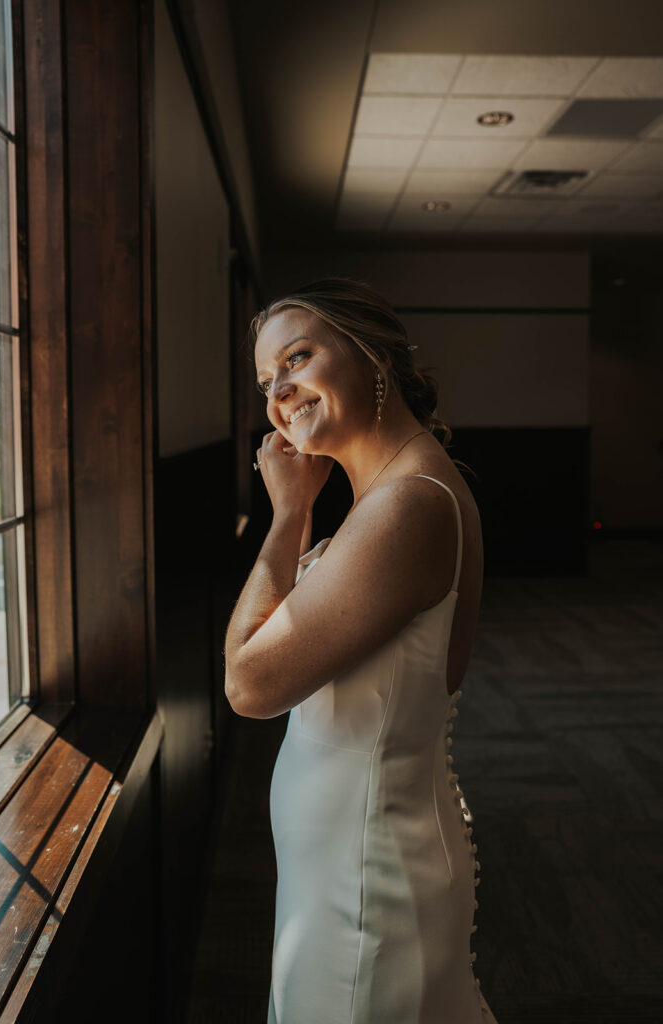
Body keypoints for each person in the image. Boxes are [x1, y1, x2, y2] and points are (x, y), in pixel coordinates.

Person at [224, 277, 497, 1024]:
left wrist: (287, 519)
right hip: (345, 855)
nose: (278, 391)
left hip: (367, 872)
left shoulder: (407, 504)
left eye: (297, 357)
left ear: (372, 355)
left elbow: (247, 684)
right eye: (264, 378)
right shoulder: (391, 494)